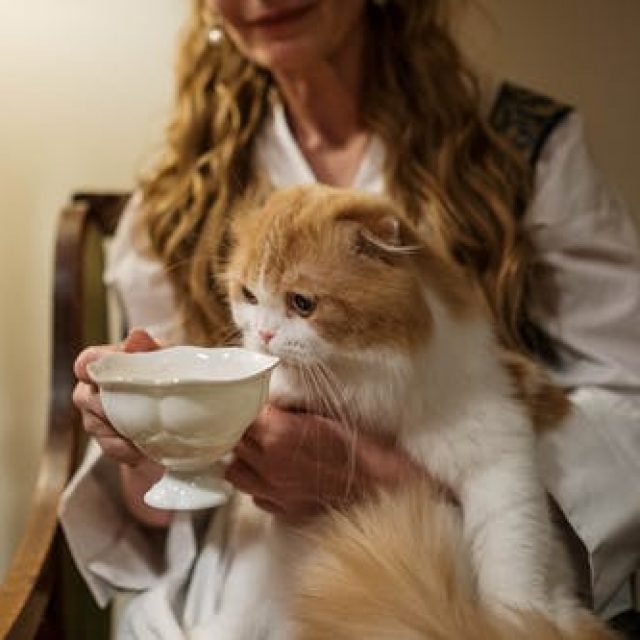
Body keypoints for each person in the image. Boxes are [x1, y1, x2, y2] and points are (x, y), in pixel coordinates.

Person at [62, 0, 640, 637]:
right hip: (248, 577)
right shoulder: (177, 190)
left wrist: (372, 476)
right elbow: (158, 515)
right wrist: (148, 431)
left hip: (468, 558)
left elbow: (629, 406)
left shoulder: (525, 143)